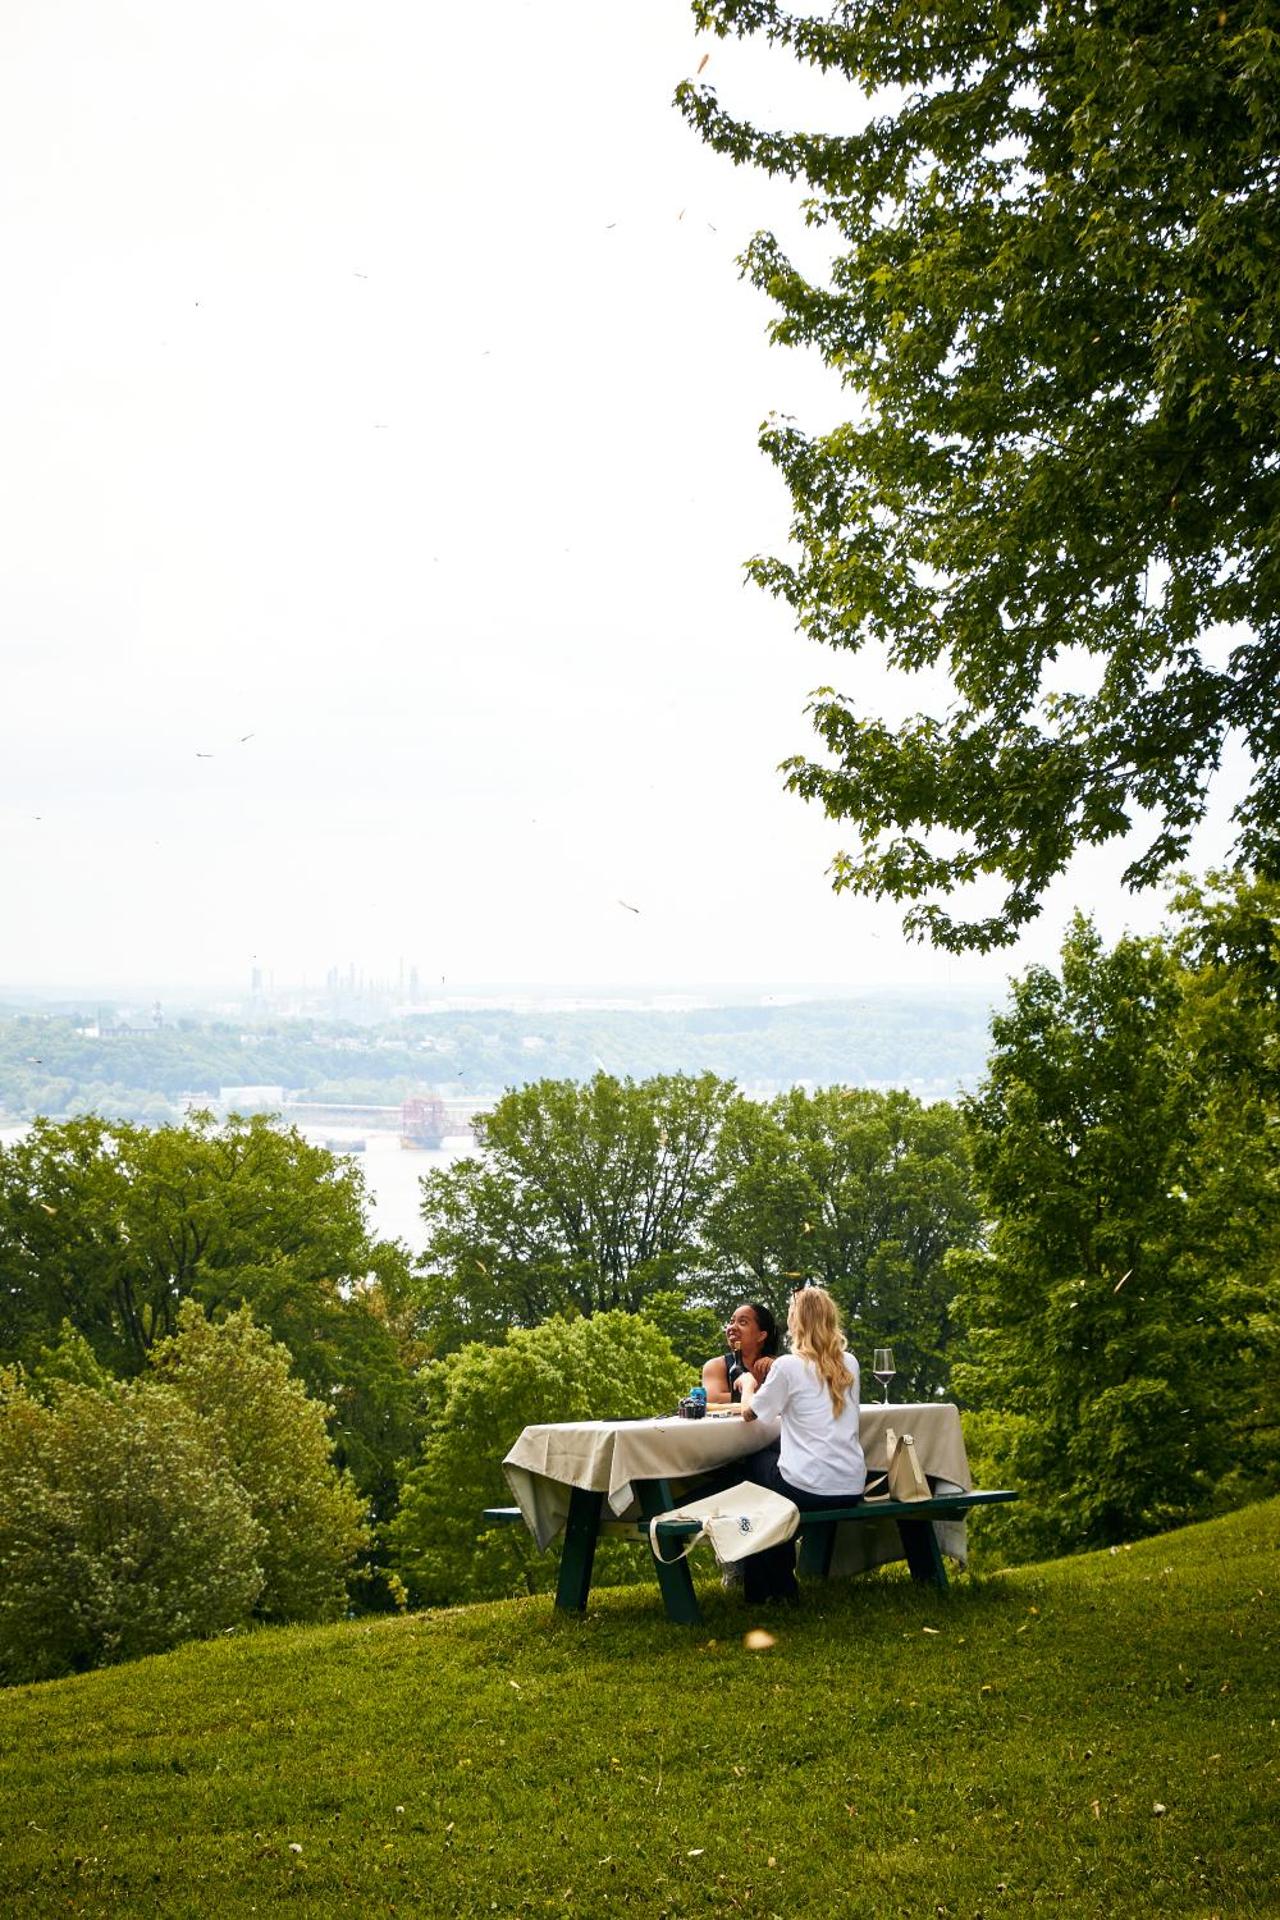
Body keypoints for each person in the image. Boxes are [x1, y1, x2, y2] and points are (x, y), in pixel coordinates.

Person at [735, 1287, 866, 1604]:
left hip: (810, 1487)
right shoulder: (850, 1362)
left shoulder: (789, 1366)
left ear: (797, 1323)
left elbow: (751, 1414)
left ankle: (768, 1585)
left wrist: (748, 1384)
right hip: (850, 1485)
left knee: (750, 1468)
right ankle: (770, 1583)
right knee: (770, 1479)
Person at [701, 1302, 779, 1404]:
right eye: (731, 1321)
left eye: (743, 1322)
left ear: (761, 1335)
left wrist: (777, 1366)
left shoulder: (777, 1365)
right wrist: (757, 1392)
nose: (732, 1327)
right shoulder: (717, 1366)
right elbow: (714, 1399)